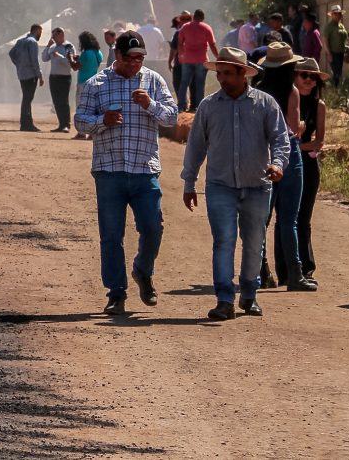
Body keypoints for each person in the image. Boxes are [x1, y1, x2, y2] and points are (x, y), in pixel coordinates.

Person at [74, 30, 179, 315]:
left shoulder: (154, 81)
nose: (136, 63)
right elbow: (80, 122)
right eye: (130, 58)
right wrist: (102, 121)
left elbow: (172, 117)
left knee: (153, 227)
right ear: (117, 55)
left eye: (140, 58)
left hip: (145, 169)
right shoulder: (97, 84)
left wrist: (151, 105)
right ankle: (116, 292)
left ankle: (143, 270)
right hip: (109, 170)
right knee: (111, 234)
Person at [181, 47, 290, 320]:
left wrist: (278, 164)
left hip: (258, 185)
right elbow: (196, 147)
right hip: (220, 186)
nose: (222, 79)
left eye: (228, 74)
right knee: (224, 241)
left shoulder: (265, 104)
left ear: (244, 74)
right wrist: (189, 182)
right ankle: (224, 299)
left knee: (254, 242)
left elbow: (280, 139)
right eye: (220, 74)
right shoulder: (208, 106)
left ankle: (250, 295)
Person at [252, 43, 318, 292]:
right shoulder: (291, 91)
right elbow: (293, 126)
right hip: (289, 154)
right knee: (289, 219)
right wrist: (301, 124)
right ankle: (294, 274)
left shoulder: (258, 90)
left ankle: (260, 272)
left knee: (262, 219)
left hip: (264, 155)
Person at [295, 57, 327, 284]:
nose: (309, 80)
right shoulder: (286, 101)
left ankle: (306, 268)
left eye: (312, 77)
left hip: (307, 164)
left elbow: (319, 142)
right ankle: (285, 269)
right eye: (304, 75)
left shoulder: (319, 105)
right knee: (284, 219)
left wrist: (294, 146)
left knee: (303, 217)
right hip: (286, 163)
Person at [175, 9, 218, 112]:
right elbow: (212, 44)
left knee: (184, 83)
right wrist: (218, 57)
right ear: (202, 18)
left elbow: (180, 43)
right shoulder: (206, 28)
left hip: (187, 59)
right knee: (200, 84)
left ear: (193, 17)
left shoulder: (185, 27)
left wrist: (181, 55)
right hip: (201, 60)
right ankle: (199, 108)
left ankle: (180, 106)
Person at [9, 24, 44, 132]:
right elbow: (34, 60)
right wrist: (40, 75)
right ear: (37, 30)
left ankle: (25, 123)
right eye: (40, 32)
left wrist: (19, 64)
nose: (40, 35)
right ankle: (26, 124)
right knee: (27, 99)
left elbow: (11, 53)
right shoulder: (33, 42)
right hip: (31, 74)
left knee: (26, 98)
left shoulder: (20, 41)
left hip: (21, 74)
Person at [42, 27, 77, 133]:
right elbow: (44, 58)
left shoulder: (68, 46)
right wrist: (47, 46)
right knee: (56, 102)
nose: (53, 38)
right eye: (52, 36)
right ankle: (61, 124)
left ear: (61, 35)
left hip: (64, 77)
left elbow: (70, 63)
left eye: (55, 36)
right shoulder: (52, 47)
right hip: (53, 77)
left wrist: (59, 56)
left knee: (64, 101)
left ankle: (66, 125)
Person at [74, 31, 103, 141]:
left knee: (81, 107)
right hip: (94, 82)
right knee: (93, 108)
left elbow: (76, 67)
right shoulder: (98, 53)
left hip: (83, 82)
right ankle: (92, 132)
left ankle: (81, 133)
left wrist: (70, 58)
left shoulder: (85, 54)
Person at [324, 5, 348, 85]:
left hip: (341, 52)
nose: (338, 15)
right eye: (336, 13)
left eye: (339, 13)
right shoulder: (329, 27)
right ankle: (335, 88)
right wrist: (329, 54)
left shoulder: (341, 26)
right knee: (336, 73)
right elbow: (325, 41)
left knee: (339, 71)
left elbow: (345, 38)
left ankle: (337, 88)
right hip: (334, 53)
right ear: (332, 15)